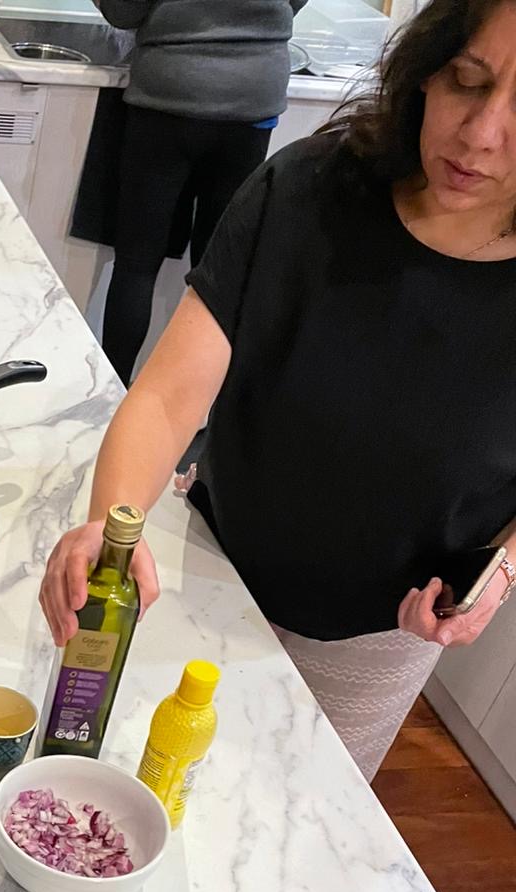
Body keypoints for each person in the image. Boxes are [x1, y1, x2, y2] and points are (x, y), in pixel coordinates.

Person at [41, 0, 516, 781]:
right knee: (145, 788)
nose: (481, 133)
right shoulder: (310, 190)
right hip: (213, 570)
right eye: (466, 83)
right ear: (426, 70)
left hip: (375, 641)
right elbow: (166, 399)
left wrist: (497, 573)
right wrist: (111, 527)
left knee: (296, 845)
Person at [96, 0, 307, 384]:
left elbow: (122, 11)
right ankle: (191, 405)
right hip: (251, 98)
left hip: (168, 92)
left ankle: (112, 399)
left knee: (136, 265)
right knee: (218, 272)